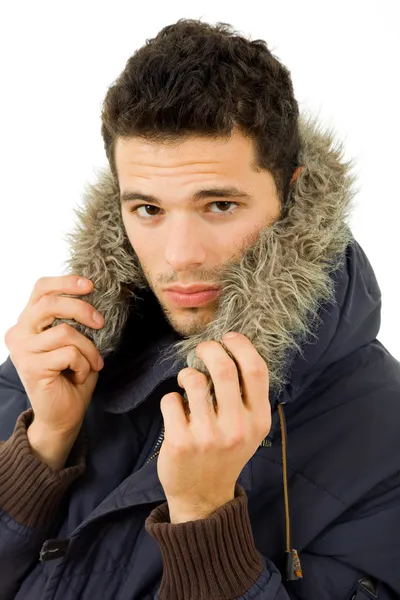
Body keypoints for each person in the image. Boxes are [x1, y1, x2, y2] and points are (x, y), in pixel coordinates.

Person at [0, 18, 399, 600]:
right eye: (147, 210)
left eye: (218, 205)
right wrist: (40, 448)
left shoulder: (386, 443)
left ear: (291, 193)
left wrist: (205, 516)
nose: (180, 257)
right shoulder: (56, 362)